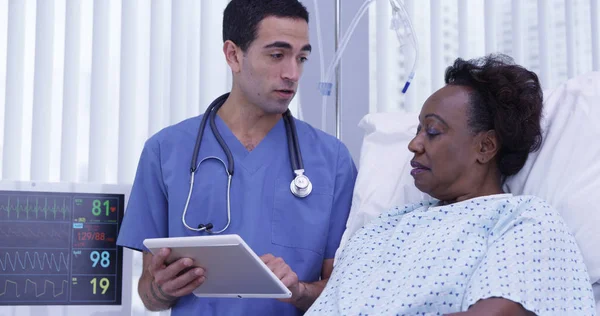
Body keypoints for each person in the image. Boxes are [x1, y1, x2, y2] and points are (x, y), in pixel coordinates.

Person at [305, 54, 597, 315]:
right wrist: (301, 293)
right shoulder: (386, 224)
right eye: (418, 130)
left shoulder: (523, 219)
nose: (413, 144)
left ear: (485, 146)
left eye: (432, 131)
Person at [116, 0, 357, 315]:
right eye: (277, 55)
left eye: (302, 57)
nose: (292, 73)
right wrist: (161, 289)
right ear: (233, 54)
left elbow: (346, 292)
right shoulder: (165, 151)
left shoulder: (332, 160)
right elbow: (148, 295)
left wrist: (298, 291)